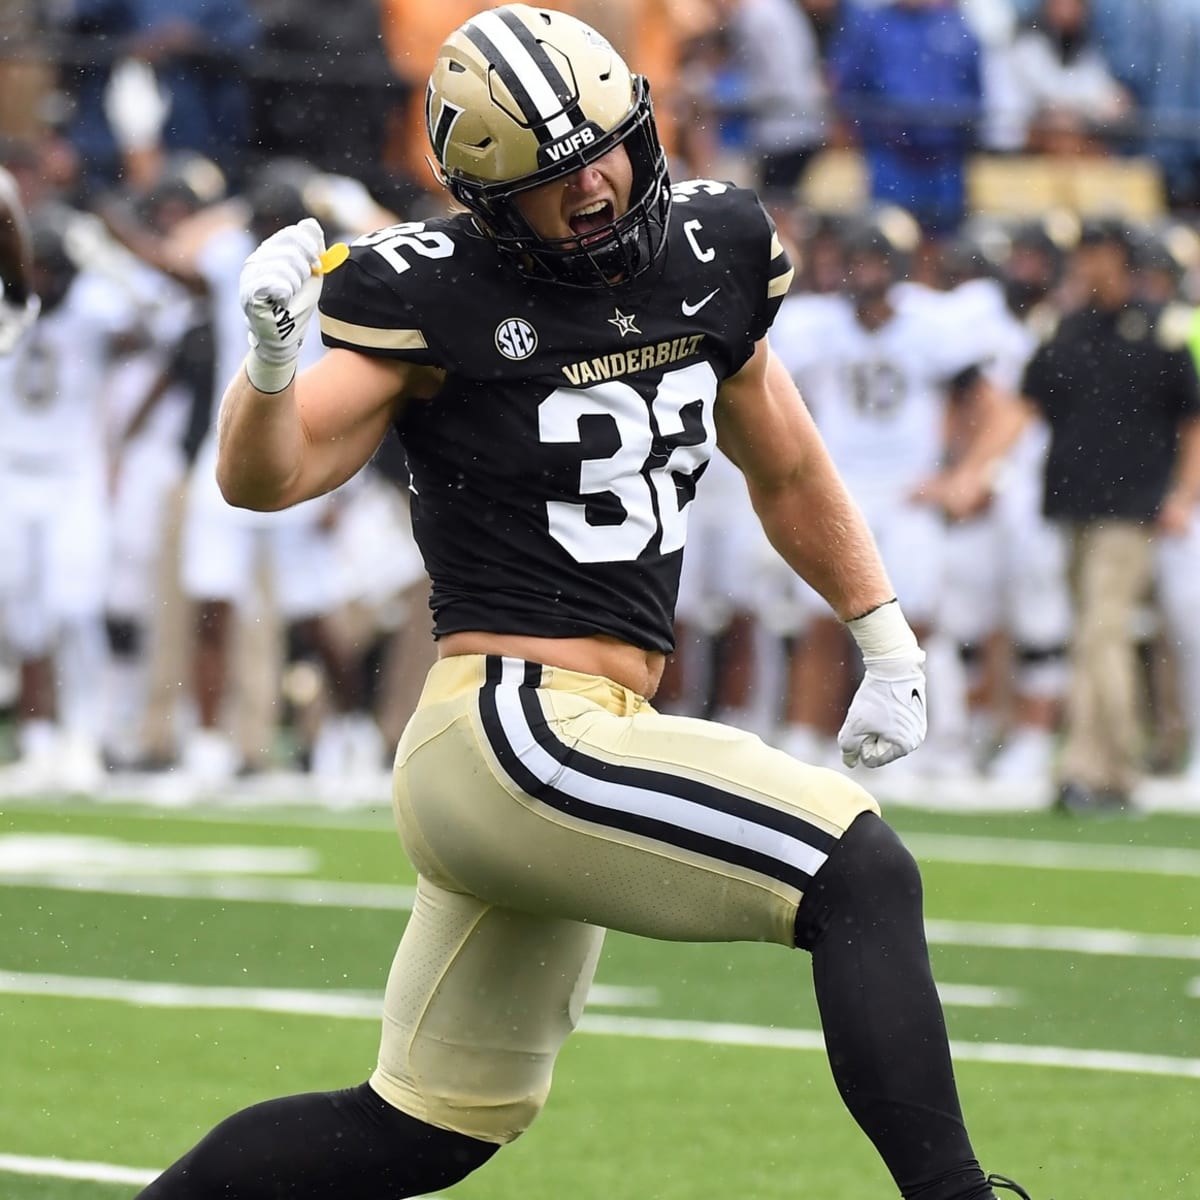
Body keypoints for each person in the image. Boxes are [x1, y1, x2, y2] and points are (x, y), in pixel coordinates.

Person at [133, 7, 1033, 1199]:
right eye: (552, 179)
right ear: (488, 199)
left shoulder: (711, 246)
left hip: (585, 732)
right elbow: (267, 478)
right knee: (858, 872)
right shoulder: (435, 290)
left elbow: (790, 466)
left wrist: (884, 635)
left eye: (604, 149)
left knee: (425, 1129)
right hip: (513, 728)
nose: (594, 186)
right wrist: (269, 364)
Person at [942, 218, 1200, 813]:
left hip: (1133, 510)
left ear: (1123, 260)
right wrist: (975, 469)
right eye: (1084, 253)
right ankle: (1118, 767)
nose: (1087, 264)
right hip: (1074, 505)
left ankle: (1087, 765)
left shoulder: (1161, 331)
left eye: (1099, 253)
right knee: (1094, 633)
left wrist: (1183, 494)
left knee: (1099, 633)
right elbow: (1021, 409)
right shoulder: (1065, 329)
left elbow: (1191, 421)